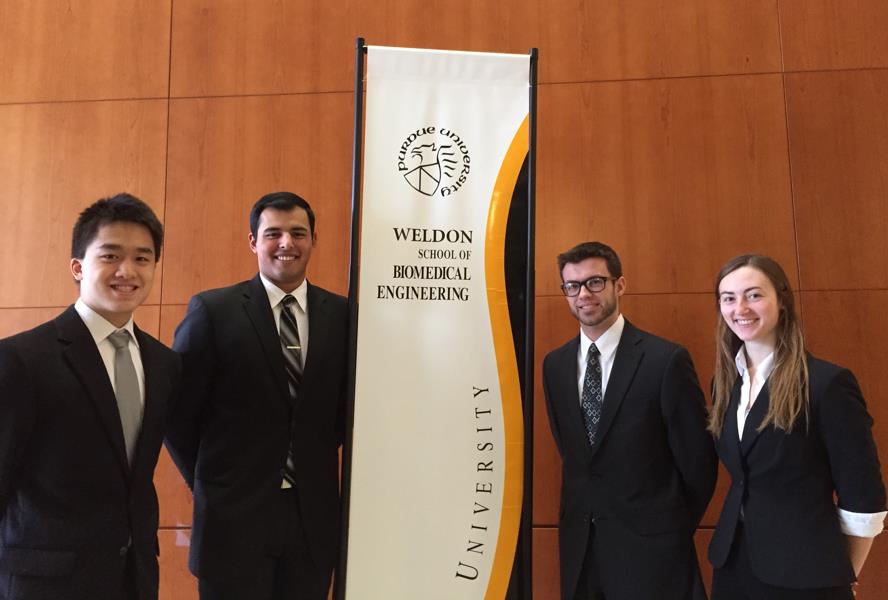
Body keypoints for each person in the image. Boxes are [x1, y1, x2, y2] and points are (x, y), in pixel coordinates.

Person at [165, 191, 348, 600]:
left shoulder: (342, 315)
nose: (287, 243)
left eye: (298, 233)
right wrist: (213, 480)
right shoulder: (214, 311)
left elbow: (340, 415)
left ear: (313, 240)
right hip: (232, 519)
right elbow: (177, 415)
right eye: (273, 233)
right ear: (253, 241)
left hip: (311, 522)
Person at [0, 194, 180, 600]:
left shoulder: (164, 363)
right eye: (110, 256)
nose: (127, 271)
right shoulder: (22, 359)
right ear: (78, 267)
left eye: (142, 258)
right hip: (44, 584)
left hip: (133, 579)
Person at [542, 241, 717, 600]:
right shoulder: (554, 365)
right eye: (572, 286)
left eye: (595, 282)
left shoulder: (664, 360)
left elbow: (699, 464)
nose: (583, 294)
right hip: (581, 552)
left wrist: (666, 528)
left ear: (619, 285)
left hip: (652, 555)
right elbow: (576, 455)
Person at [708, 254, 886, 599]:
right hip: (734, 565)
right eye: (728, 298)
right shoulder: (725, 385)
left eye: (754, 295)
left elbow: (863, 495)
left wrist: (842, 574)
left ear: (782, 300)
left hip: (807, 574)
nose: (740, 308)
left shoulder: (826, 384)